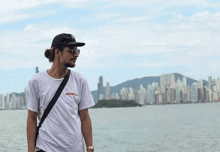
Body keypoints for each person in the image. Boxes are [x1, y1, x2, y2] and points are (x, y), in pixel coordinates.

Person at [26, 33, 95, 152]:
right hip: (45, 148)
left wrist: (90, 147)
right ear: (57, 52)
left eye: (77, 51)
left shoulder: (80, 81)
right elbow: (32, 118)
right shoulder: (36, 81)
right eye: (72, 51)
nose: (76, 55)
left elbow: (85, 118)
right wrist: (30, 150)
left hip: (74, 149)